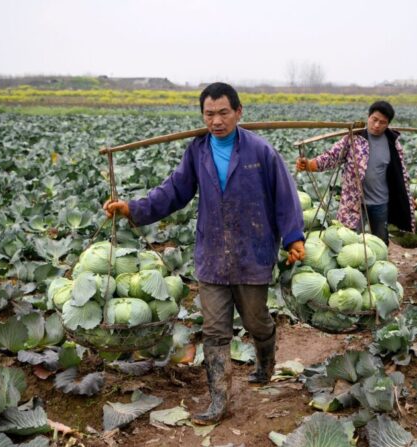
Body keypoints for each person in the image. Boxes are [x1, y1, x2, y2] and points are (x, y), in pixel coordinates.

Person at [103, 82, 306, 425]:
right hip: (212, 254)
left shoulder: (260, 151)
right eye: (209, 114)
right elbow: (174, 191)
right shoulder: (198, 151)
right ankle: (219, 400)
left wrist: (293, 238)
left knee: (257, 321)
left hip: (253, 252)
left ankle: (265, 363)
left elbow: (284, 195)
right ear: (202, 116)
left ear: (239, 112)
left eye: (223, 112)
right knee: (214, 331)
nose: (216, 120)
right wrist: (132, 209)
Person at [295, 101, 415, 243]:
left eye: (382, 122)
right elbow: (331, 157)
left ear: (388, 124)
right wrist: (309, 164)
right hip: (354, 202)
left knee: (380, 241)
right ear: (368, 117)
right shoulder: (354, 139)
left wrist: (408, 197)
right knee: (350, 241)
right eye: (374, 119)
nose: (377, 125)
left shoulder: (393, 144)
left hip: (380, 202)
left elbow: (402, 174)